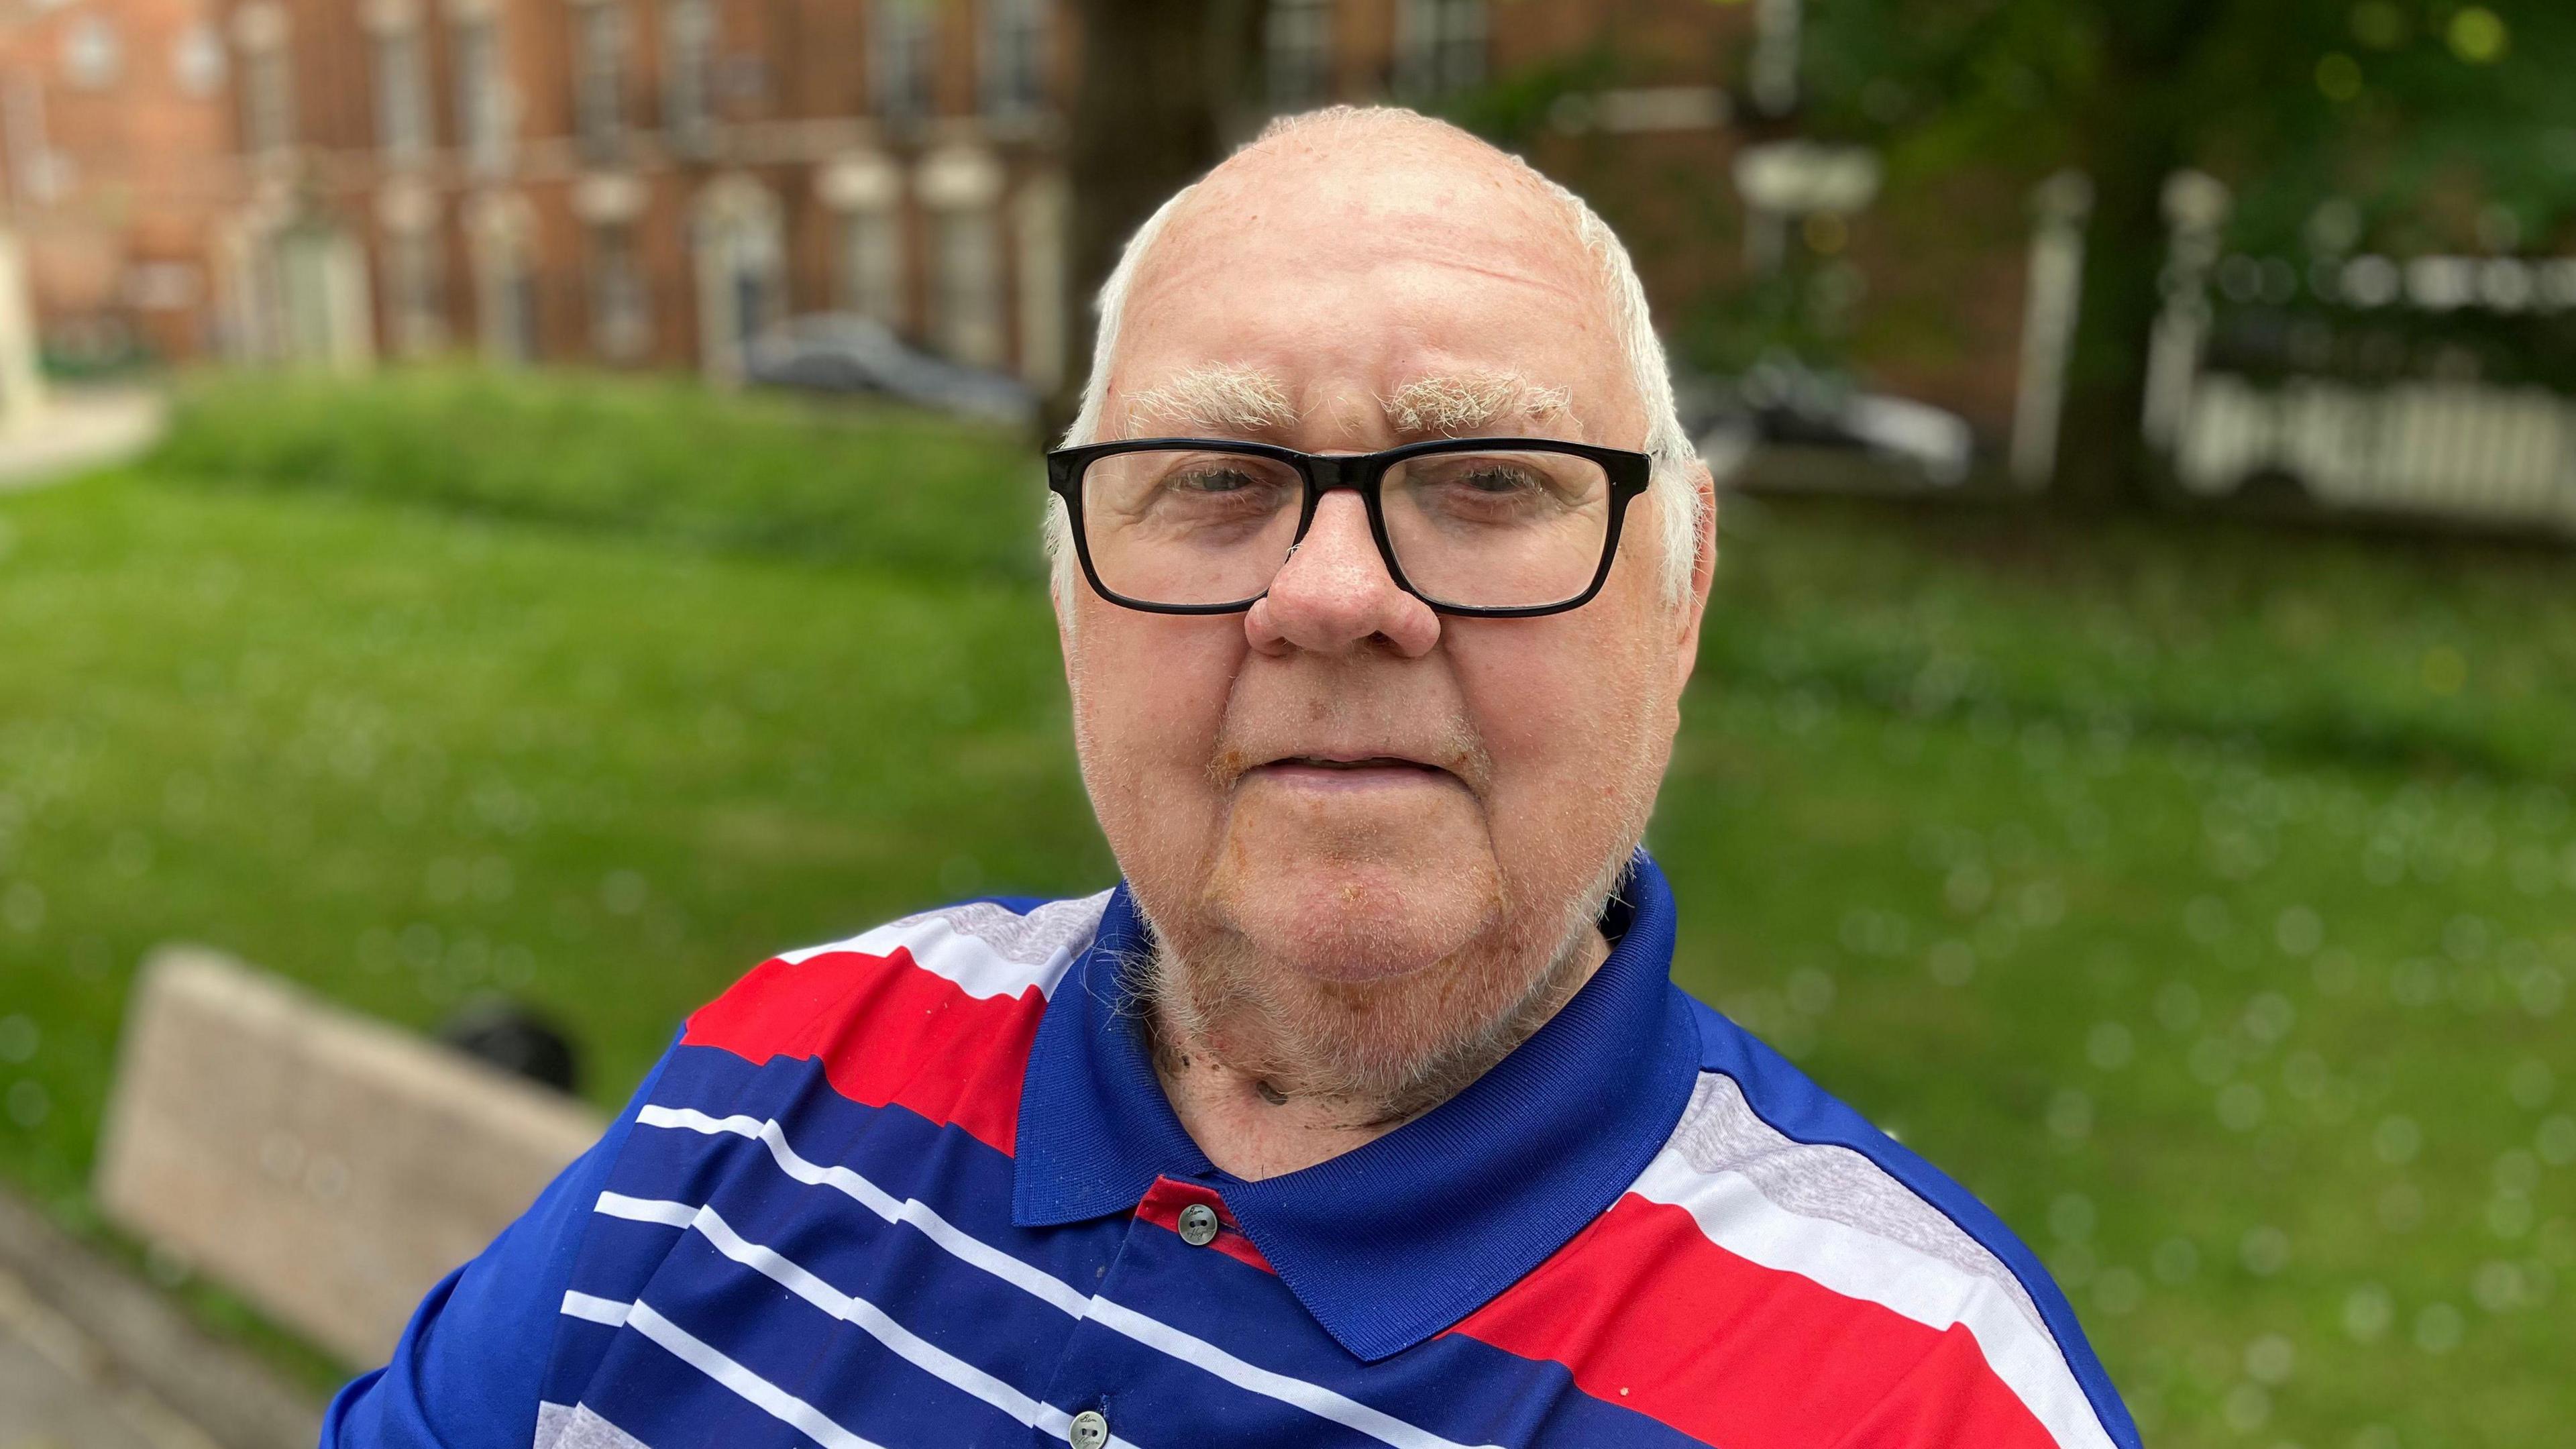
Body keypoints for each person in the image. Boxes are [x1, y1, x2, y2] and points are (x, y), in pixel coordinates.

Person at [325, 107, 2138, 1449]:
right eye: (1213, 477)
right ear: (1071, 597)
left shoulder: (1924, 1398)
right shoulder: (771, 1083)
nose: (1334, 593)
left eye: (1489, 477)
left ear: (1681, 592)